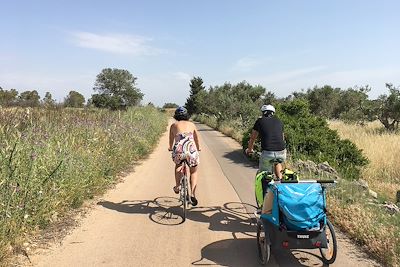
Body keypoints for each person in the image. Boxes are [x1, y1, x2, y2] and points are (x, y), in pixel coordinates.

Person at [246, 104, 286, 214]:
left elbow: (253, 137)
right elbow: (282, 138)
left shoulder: (259, 121)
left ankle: (265, 206)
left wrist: (249, 149)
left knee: (264, 176)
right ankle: (280, 183)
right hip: (282, 152)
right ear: (273, 113)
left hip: (267, 152)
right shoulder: (279, 121)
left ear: (263, 113)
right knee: (277, 162)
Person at [168, 106, 201, 206]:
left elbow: (171, 140)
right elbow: (196, 139)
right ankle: (193, 194)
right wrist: (198, 148)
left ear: (176, 116)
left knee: (178, 165)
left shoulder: (174, 125)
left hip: (179, 150)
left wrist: (170, 147)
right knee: (193, 171)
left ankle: (177, 186)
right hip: (191, 150)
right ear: (187, 116)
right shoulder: (192, 125)